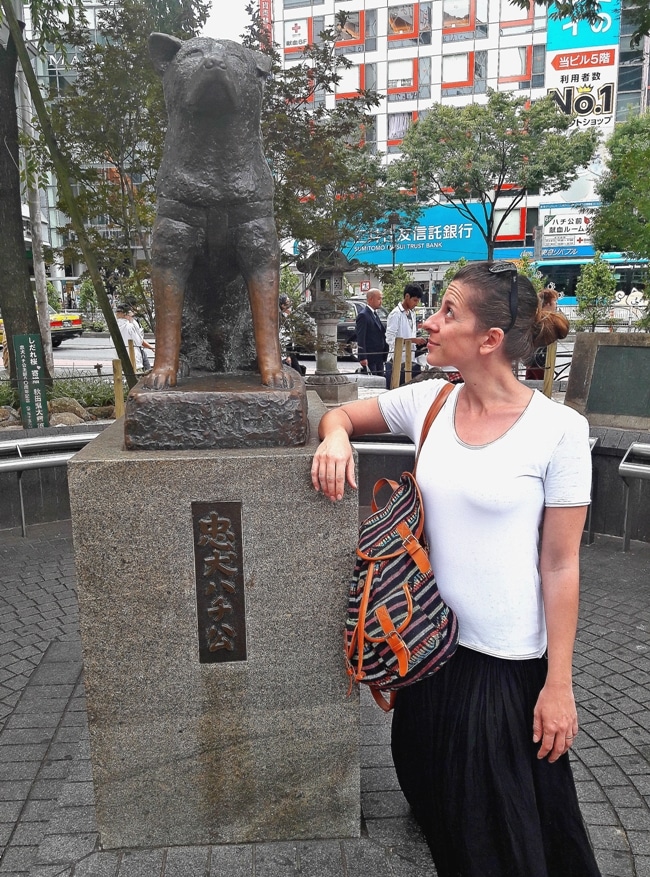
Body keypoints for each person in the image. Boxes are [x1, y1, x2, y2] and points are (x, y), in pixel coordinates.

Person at [311, 261, 601, 877]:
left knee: (504, 842)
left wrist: (559, 684)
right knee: (442, 813)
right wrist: (334, 438)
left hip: (505, 666)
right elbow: (340, 415)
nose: (429, 325)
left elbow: (561, 564)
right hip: (427, 651)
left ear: (490, 339)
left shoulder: (558, 431)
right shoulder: (430, 401)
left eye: (447, 313)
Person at [385, 283, 428, 388]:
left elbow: (411, 333)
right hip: (397, 361)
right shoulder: (396, 314)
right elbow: (390, 339)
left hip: (410, 360)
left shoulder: (412, 314)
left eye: (418, 301)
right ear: (407, 296)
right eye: (414, 300)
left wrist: (419, 343)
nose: (416, 303)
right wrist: (412, 340)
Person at [355, 288, 388, 376]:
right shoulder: (363, 315)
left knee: (381, 379)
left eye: (381, 299)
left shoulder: (375, 314)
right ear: (370, 299)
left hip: (379, 355)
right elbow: (361, 338)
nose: (381, 301)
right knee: (373, 381)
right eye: (379, 299)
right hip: (370, 356)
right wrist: (363, 357)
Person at [115, 304, 154, 371]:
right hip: (135, 361)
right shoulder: (130, 326)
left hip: (120, 361)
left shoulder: (114, 327)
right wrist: (151, 347)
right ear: (126, 314)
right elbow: (139, 342)